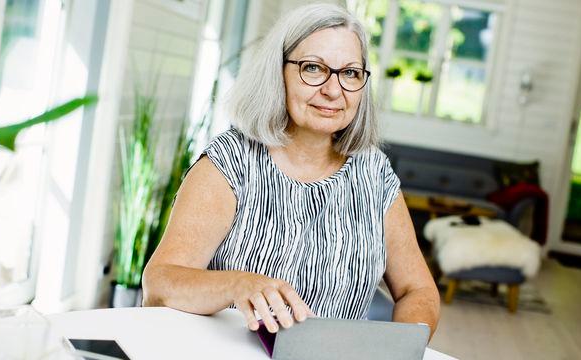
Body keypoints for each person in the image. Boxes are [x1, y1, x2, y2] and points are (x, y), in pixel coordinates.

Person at [142, 3, 440, 337]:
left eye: (350, 73)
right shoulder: (231, 163)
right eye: (313, 68)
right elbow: (160, 284)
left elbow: (419, 290)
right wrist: (236, 284)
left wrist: (401, 349)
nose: (332, 90)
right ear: (278, 72)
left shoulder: (374, 173)